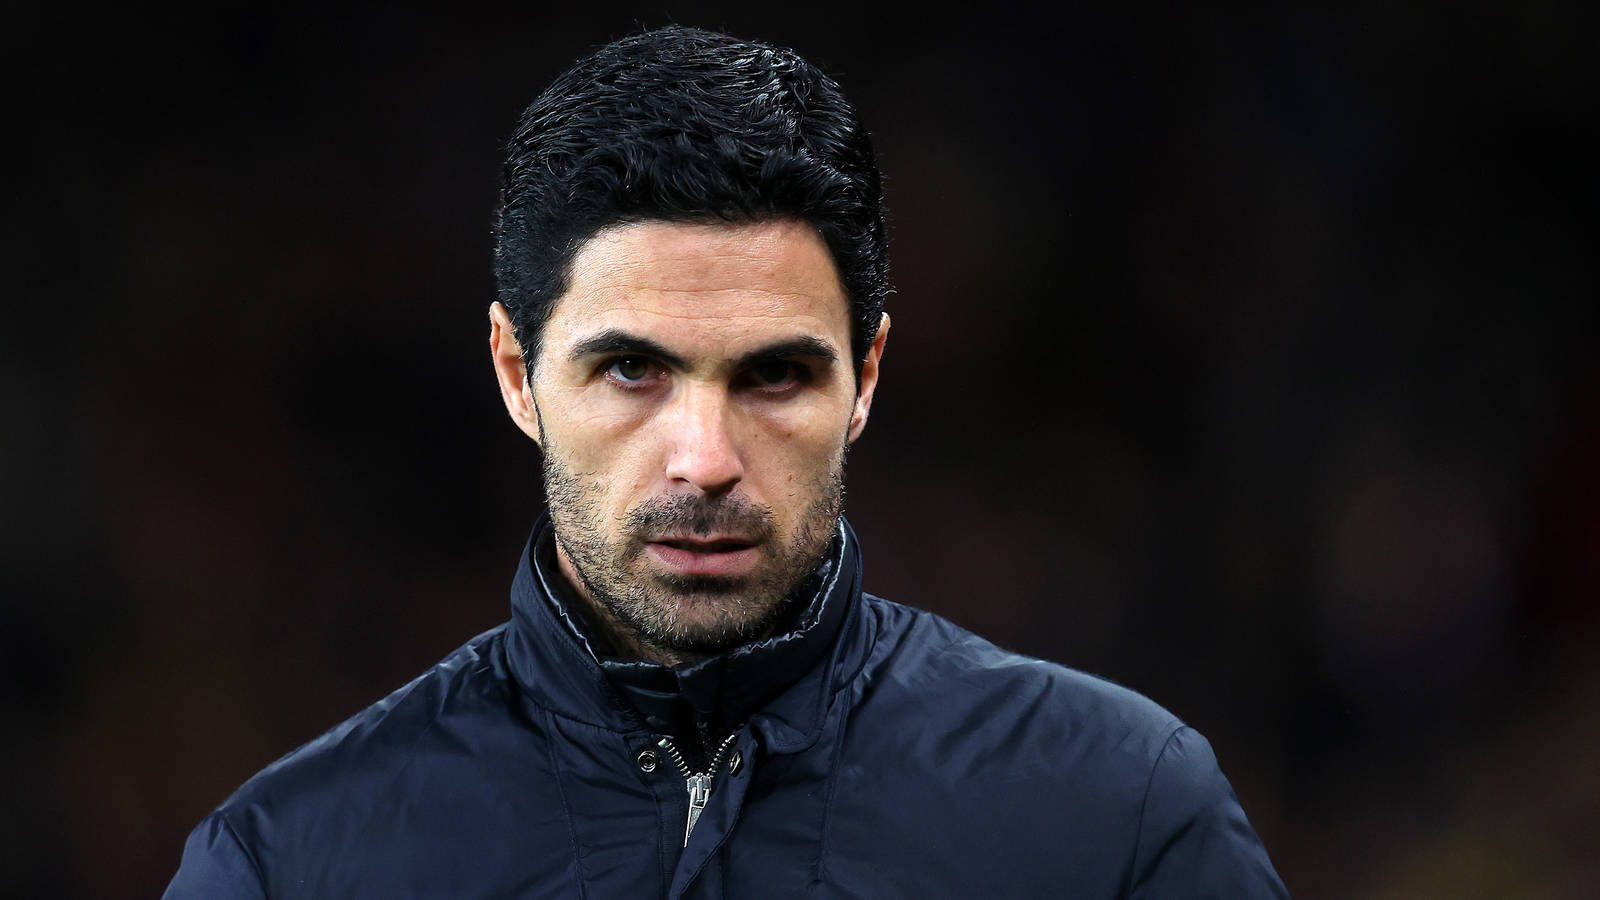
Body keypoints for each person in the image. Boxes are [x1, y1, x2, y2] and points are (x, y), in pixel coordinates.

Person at [165, 26, 1289, 899]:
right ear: (516, 373)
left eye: (774, 375)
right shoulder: (286, 865)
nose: (704, 461)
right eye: (631, 371)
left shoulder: (1122, 816)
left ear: (867, 375)